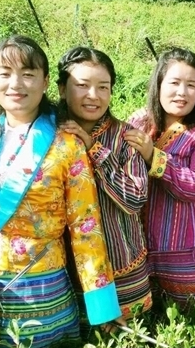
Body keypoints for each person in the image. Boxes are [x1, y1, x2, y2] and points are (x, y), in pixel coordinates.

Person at [0, 35, 121, 348]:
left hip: (40, 286)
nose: (16, 84)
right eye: (5, 73)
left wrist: (102, 306)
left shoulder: (67, 144)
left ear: (46, 82)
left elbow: (85, 227)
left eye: (28, 74)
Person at [126, 47, 195, 306]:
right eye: (174, 83)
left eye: (191, 85)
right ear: (159, 84)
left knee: (193, 318)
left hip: (190, 249)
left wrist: (154, 157)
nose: (182, 92)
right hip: (141, 247)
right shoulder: (140, 122)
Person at [56, 46, 152, 319]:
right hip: (66, 271)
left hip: (123, 264)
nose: (93, 96)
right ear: (62, 89)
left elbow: (134, 199)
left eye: (103, 87)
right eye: (82, 85)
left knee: (129, 339)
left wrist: (94, 149)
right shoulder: (48, 134)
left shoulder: (126, 137)